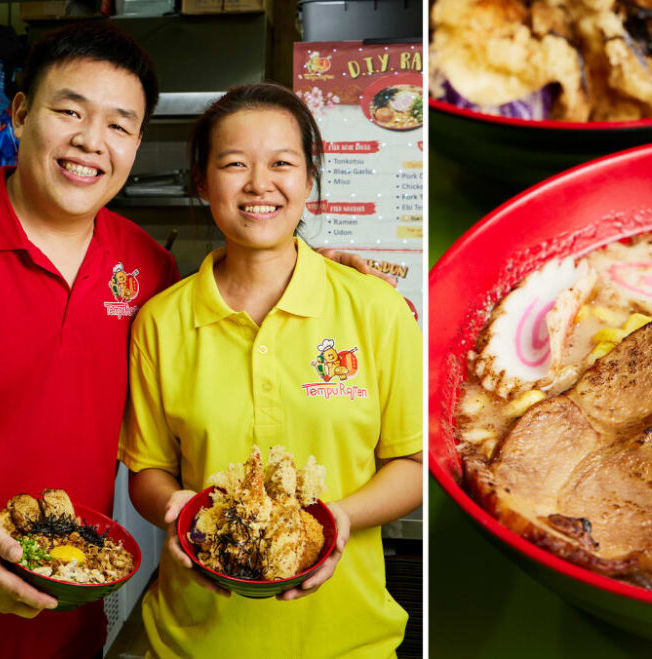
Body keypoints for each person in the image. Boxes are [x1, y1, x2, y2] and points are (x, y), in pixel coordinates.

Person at [0, 24, 380, 659]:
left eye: (120, 125)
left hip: (67, 617)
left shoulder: (147, 269)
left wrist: (306, 266)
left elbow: (231, 310)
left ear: (138, 142)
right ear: (20, 113)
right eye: (69, 112)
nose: (91, 142)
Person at [121, 83, 423, 658]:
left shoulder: (376, 308)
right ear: (203, 182)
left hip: (349, 639)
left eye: (282, 163)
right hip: (193, 639)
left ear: (309, 180)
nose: (259, 184)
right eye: (234, 164)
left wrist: (339, 519)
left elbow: (409, 464)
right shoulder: (160, 322)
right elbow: (148, 471)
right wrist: (181, 509)